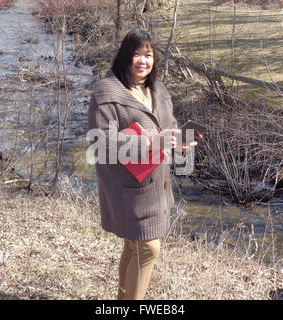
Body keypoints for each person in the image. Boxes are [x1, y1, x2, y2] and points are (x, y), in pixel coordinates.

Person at [87, 28, 199, 300]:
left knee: (134, 247)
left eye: (148, 55)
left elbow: (168, 127)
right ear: (125, 56)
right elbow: (100, 144)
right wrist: (151, 143)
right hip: (126, 188)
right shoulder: (106, 93)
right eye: (136, 54)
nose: (142, 61)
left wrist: (178, 142)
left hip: (156, 186)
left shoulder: (158, 90)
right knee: (148, 249)